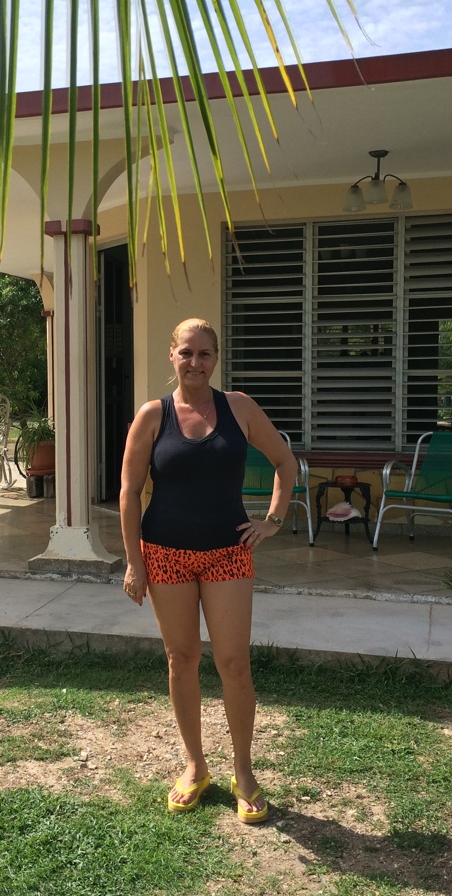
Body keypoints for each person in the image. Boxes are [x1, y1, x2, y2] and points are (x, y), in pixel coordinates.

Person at [120, 317, 298, 824]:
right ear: (171, 355)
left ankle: (243, 771)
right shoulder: (152, 416)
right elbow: (129, 494)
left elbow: (286, 464)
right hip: (166, 553)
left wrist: (272, 521)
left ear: (216, 358)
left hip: (228, 553)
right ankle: (195, 765)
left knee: (234, 663)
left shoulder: (239, 408)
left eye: (204, 354)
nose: (195, 362)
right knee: (181, 659)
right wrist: (134, 562)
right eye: (186, 353)